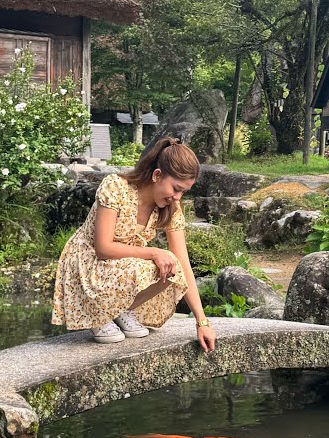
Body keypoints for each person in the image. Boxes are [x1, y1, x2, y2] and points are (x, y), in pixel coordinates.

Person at [51, 137, 217, 352]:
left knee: (174, 267)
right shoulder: (117, 188)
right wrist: (153, 251)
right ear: (157, 175)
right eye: (176, 188)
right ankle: (99, 313)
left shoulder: (171, 208)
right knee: (157, 260)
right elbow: (103, 248)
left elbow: (184, 264)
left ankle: (120, 310)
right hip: (88, 262)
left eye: (183, 192)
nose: (177, 197)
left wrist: (202, 322)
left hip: (121, 266)